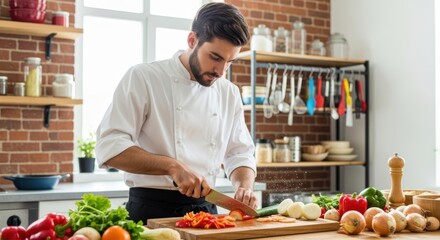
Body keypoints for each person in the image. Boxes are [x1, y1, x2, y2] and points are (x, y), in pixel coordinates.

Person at [95, 2, 256, 223]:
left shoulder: (229, 93)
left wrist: (244, 187)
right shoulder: (144, 78)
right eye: (216, 57)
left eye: (229, 62)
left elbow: (240, 153)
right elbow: (109, 147)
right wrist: (172, 166)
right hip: (150, 213)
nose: (221, 71)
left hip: (207, 215)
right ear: (192, 40)